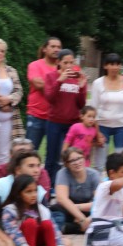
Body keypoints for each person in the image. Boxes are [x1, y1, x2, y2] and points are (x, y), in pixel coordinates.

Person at [0, 150, 73, 246]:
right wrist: (9, 241)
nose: (37, 170)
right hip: (9, 238)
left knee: (67, 243)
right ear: (18, 170)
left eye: (38, 166)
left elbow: (47, 223)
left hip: (33, 240)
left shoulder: (38, 191)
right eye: (31, 166)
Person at [0, 174, 71, 246]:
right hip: (22, 243)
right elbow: (13, 231)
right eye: (28, 192)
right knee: (30, 222)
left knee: (47, 223)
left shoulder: (42, 209)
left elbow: (54, 229)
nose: (33, 195)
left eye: (35, 191)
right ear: (18, 194)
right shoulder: (10, 210)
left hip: (39, 242)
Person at [43, 49, 87, 183]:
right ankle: (48, 186)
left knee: (69, 157)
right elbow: (50, 98)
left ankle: (65, 185)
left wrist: (81, 87)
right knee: (52, 156)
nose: (69, 66)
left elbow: (81, 104)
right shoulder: (51, 76)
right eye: (65, 62)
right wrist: (59, 81)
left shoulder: (76, 77)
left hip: (72, 124)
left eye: (71, 63)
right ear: (58, 62)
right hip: (55, 122)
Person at [91, 53, 123, 165]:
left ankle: (119, 182)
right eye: (111, 64)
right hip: (103, 126)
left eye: (117, 64)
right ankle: (100, 182)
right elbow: (94, 108)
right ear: (105, 66)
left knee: (121, 161)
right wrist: (97, 132)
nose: (115, 67)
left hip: (122, 126)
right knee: (100, 162)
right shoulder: (97, 83)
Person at [25, 37, 62, 150]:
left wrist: (51, 85)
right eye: (53, 46)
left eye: (59, 47)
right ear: (45, 49)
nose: (56, 49)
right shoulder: (35, 65)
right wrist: (59, 84)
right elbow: (38, 84)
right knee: (30, 151)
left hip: (57, 118)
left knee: (55, 154)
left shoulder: (64, 67)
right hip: (37, 115)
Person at [52, 147, 101, 234]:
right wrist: (82, 219)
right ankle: (81, 227)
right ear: (66, 164)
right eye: (72, 161)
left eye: (79, 158)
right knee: (55, 210)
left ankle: (69, 228)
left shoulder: (93, 174)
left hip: (87, 208)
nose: (77, 162)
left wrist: (78, 209)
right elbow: (62, 199)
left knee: (101, 214)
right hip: (67, 208)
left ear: (84, 158)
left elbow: (99, 202)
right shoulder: (63, 173)